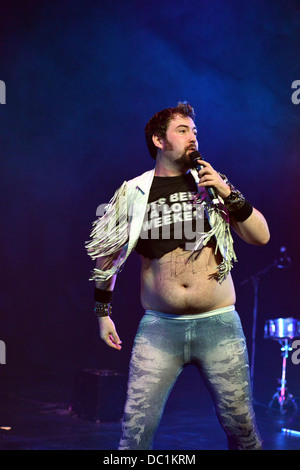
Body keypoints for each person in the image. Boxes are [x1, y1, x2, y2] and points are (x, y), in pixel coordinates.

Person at [86, 102, 270, 450]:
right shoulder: (134, 192)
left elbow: (261, 236)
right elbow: (106, 256)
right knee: (134, 434)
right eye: (182, 130)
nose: (192, 138)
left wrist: (228, 193)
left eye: (195, 131)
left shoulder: (213, 185)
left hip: (218, 325)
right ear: (158, 139)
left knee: (242, 429)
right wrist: (102, 313)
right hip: (160, 328)